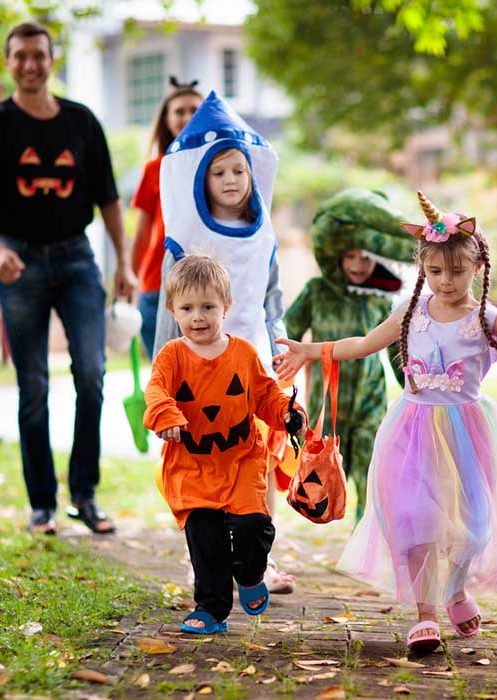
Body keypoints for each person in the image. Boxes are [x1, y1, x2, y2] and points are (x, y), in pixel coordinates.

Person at [274, 192, 497, 653]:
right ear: (423, 269)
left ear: (478, 268)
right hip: (411, 430)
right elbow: (364, 343)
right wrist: (312, 350)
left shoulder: (486, 319)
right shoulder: (411, 312)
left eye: (457, 271)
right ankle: (425, 615)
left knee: (473, 527)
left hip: (467, 432)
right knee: (414, 519)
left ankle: (456, 589)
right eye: (436, 272)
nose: (446, 281)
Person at [0, 21, 137, 535]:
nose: (30, 63)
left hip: (78, 259)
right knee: (32, 385)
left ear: (51, 59)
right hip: (19, 260)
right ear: (9, 61)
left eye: (39, 54)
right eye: (21, 56)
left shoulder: (81, 122)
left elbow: (108, 198)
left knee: (91, 374)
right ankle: (42, 505)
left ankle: (85, 493)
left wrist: (123, 262)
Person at [152, 91, 298, 594]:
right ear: (201, 178)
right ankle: (204, 560)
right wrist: (162, 374)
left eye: (239, 170)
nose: (232, 180)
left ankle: (263, 560)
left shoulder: (263, 232)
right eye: (219, 172)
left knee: (260, 456)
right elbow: (168, 307)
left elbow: (272, 294)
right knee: (200, 464)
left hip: (251, 358)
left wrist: (281, 347)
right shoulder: (187, 232)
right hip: (195, 368)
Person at [143, 254, 307, 634]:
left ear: (226, 307)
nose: (198, 316)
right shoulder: (172, 356)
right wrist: (166, 416)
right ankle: (211, 609)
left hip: (241, 457)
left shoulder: (243, 354)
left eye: (207, 307)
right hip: (191, 463)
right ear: (172, 310)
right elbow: (156, 392)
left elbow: (265, 394)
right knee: (205, 537)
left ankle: (250, 574)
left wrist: (285, 411)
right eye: (187, 308)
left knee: (252, 525)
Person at [283, 189, 417, 521]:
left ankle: (367, 532)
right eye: (351, 257)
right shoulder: (317, 291)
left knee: (371, 467)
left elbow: (394, 350)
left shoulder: (378, 300)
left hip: (370, 398)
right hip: (327, 400)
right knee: (325, 466)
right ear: (339, 256)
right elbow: (290, 330)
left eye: (366, 257)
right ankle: (326, 509)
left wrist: (412, 386)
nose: (358, 265)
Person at [130, 78, 202, 360]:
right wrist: (129, 274)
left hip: (204, 285)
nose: (186, 117)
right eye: (179, 111)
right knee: (166, 373)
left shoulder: (219, 166)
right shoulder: (154, 169)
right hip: (157, 285)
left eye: (194, 110)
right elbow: (142, 230)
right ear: (167, 119)